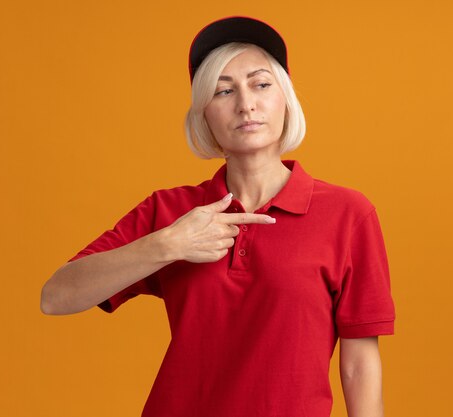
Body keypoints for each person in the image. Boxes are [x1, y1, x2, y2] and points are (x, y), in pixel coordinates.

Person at [41, 16, 395, 417]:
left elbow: (359, 366)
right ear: (204, 115)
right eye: (223, 91)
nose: (246, 104)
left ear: (286, 99)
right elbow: (56, 297)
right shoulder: (171, 211)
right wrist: (168, 244)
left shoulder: (348, 214)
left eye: (261, 84)